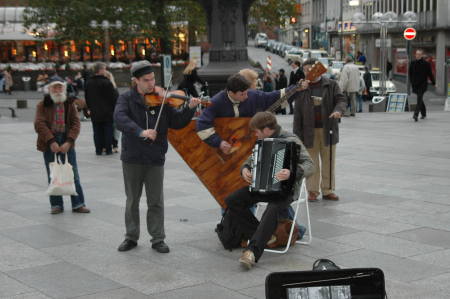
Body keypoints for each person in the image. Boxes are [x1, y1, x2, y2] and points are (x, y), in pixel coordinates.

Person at [114, 60, 201, 253]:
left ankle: (157, 238)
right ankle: (131, 236)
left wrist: (190, 108)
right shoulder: (126, 99)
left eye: (153, 79)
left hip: (155, 157)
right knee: (132, 200)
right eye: (146, 80)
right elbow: (120, 119)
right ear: (136, 81)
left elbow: (177, 122)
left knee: (156, 201)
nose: (152, 84)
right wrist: (140, 131)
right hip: (132, 157)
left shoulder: (163, 100)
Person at [225, 111, 313, 269]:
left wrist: (292, 172)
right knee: (233, 200)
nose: (255, 134)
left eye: (256, 131)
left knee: (273, 208)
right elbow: (250, 160)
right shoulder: (262, 141)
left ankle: (252, 252)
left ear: (266, 129)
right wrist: (245, 169)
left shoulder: (290, 139)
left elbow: (310, 165)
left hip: (286, 189)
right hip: (262, 186)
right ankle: (265, 236)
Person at [196, 73, 292, 154]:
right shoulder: (216, 102)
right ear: (230, 93)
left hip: (249, 147)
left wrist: (296, 89)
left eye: (246, 92)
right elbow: (202, 123)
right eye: (242, 94)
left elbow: (273, 97)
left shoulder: (252, 95)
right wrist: (218, 143)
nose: (246, 97)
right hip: (226, 151)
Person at [292, 58, 347, 202]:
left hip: (328, 129)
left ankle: (328, 190)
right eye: (305, 70)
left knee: (328, 160)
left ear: (318, 69)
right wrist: (296, 135)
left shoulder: (331, 84)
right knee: (311, 162)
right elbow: (297, 113)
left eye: (311, 69)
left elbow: (341, 100)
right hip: (308, 131)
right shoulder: (301, 87)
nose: (308, 72)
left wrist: (338, 111)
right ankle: (312, 191)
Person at [34, 77, 90, 214]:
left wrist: (69, 141)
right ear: (50, 89)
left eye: (60, 87)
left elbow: (76, 123)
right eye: (55, 87)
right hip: (49, 141)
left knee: (73, 173)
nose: (58, 90)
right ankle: (56, 205)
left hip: (66, 139)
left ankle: (78, 204)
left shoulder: (69, 103)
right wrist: (51, 141)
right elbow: (39, 124)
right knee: (52, 174)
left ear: (64, 89)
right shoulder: (42, 104)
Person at [85, 62, 119, 155]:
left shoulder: (89, 83)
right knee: (108, 130)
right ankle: (108, 149)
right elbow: (113, 97)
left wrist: (89, 108)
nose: (105, 71)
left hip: (95, 111)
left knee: (96, 131)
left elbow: (87, 97)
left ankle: (98, 149)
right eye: (104, 69)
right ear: (100, 70)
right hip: (107, 111)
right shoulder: (106, 82)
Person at [409, 49, 435, 122]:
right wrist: (411, 82)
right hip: (415, 84)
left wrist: (433, 82)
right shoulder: (413, 63)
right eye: (416, 54)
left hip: (422, 84)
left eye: (419, 54)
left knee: (419, 99)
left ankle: (415, 114)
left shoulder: (426, 64)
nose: (417, 55)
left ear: (422, 55)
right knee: (420, 99)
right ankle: (424, 113)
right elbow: (410, 73)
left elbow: (430, 74)